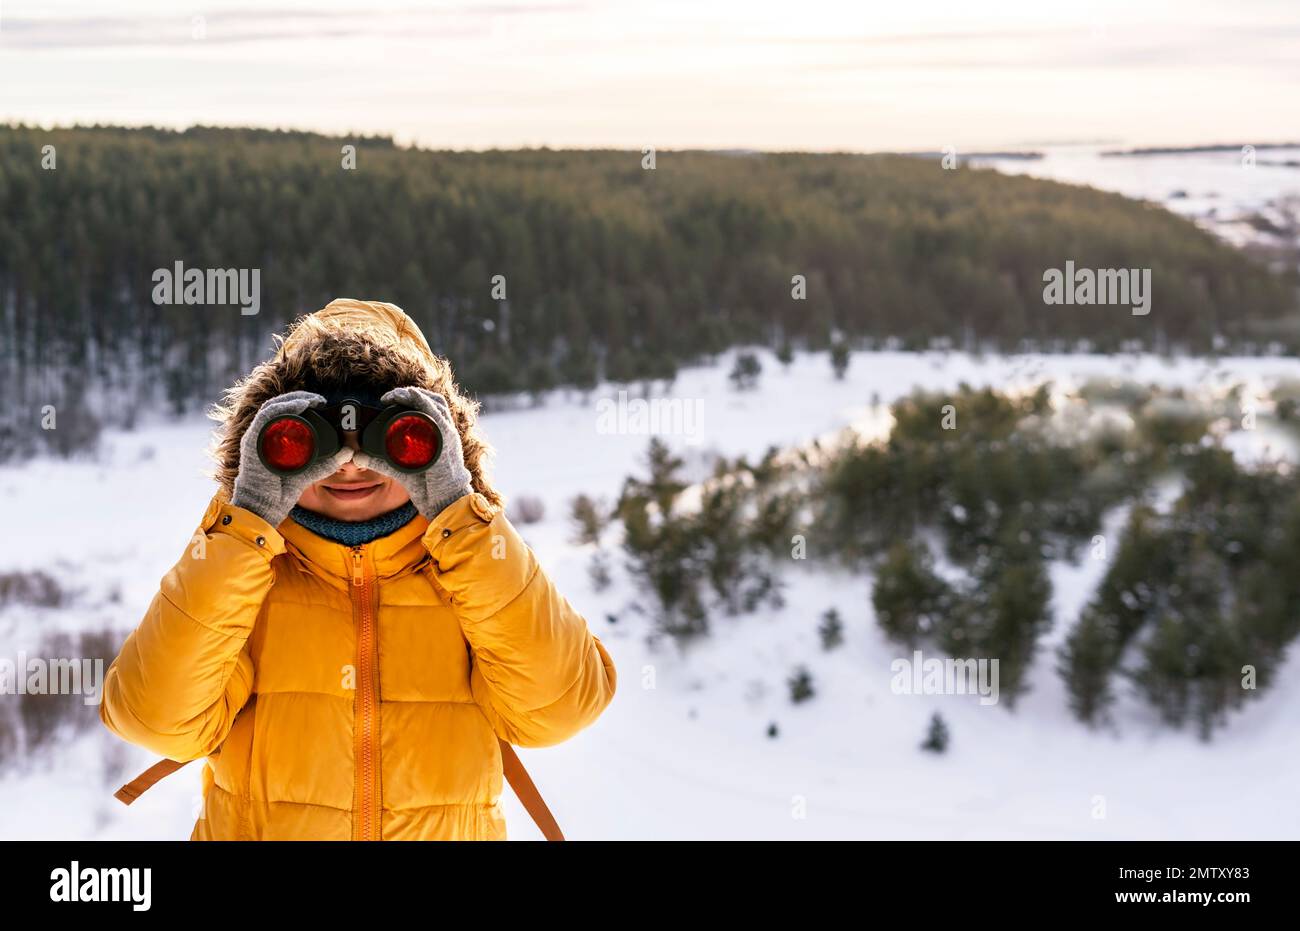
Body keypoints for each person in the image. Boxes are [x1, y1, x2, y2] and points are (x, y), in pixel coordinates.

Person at [100, 298, 617, 840]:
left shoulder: (470, 576)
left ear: (445, 447)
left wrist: (460, 518)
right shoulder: (245, 577)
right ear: (261, 448)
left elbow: (561, 709)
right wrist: (247, 519)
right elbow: (152, 719)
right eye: (307, 437)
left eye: (395, 438)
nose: (348, 462)